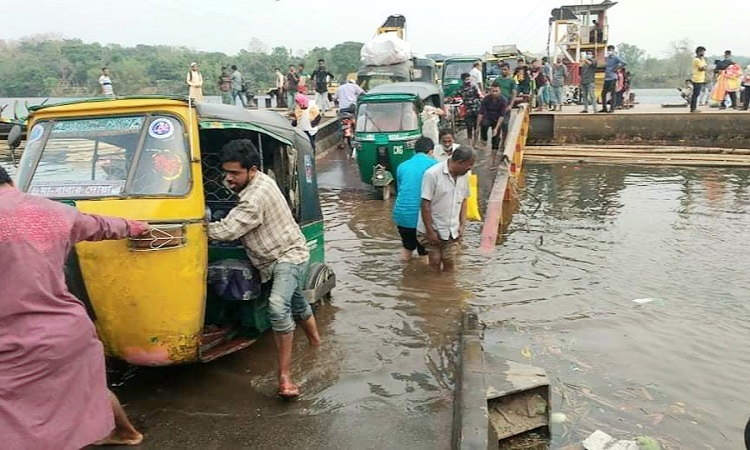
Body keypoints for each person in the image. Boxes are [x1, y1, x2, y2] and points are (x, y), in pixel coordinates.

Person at [0, 165, 147, 449]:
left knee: (20, 421)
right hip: (69, 332)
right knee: (87, 390)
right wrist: (136, 226)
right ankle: (126, 433)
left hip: (14, 342)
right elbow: (101, 225)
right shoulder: (54, 211)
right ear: (11, 179)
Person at [207, 140, 321, 398]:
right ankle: (317, 344)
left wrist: (197, 228)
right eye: (227, 172)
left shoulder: (254, 197)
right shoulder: (258, 180)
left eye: (235, 173)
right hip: (273, 257)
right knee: (298, 304)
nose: (229, 178)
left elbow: (227, 231)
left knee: (277, 306)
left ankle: (284, 378)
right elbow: (232, 196)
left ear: (252, 169)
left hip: (288, 255)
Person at [417, 146, 476, 272]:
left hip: (452, 229)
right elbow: (425, 204)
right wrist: (430, 231)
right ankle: (434, 289)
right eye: (469, 165)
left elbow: (464, 199)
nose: (470, 168)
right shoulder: (432, 174)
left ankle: (448, 289)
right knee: (434, 262)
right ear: (459, 162)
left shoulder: (464, 175)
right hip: (433, 228)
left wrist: (462, 224)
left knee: (450, 262)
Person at [393, 137, 438, 261]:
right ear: (430, 151)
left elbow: (400, 188)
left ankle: (405, 274)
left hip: (401, 214)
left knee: (407, 247)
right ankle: (422, 279)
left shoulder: (402, 166)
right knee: (424, 252)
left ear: (415, 150)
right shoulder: (435, 165)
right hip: (421, 217)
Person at [477, 85, 509, 152]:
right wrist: (477, 127)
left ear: (500, 91)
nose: (494, 93)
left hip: (497, 118)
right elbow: (481, 113)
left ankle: (494, 151)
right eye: (493, 91)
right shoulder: (486, 99)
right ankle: (484, 140)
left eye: (496, 91)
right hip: (488, 116)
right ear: (490, 91)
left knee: (496, 137)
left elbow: (502, 116)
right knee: (484, 125)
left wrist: (496, 128)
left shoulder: (503, 100)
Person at [458, 72, 482, 147]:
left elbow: (479, 96)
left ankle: (475, 143)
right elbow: (455, 95)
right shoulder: (461, 88)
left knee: (477, 127)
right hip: (468, 110)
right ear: (463, 80)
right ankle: (470, 144)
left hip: (476, 109)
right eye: (466, 79)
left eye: (469, 78)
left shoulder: (474, 87)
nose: (468, 80)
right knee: (469, 127)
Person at [600, 45, 625, 113]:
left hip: (613, 78)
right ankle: (604, 108)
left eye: (610, 50)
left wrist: (616, 68)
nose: (609, 51)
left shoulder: (615, 58)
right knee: (603, 93)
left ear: (613, 51)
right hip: (606, 78)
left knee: (612, 93)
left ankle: (612, 108)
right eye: (608, 50)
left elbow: (624, 62)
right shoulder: (607, 58)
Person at [688, 46, 708, 113]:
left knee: (697, 94)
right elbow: (702, 68)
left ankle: (693, 107)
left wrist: (704, 67)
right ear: (698, 52)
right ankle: (693, 108)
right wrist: (704, 67)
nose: (703, 53)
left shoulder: (702, 59)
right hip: (697, 79)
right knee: (696, 94)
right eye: (702, 51)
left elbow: (705, 66)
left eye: (704, 52)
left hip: (701, 78)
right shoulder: (696, 60)